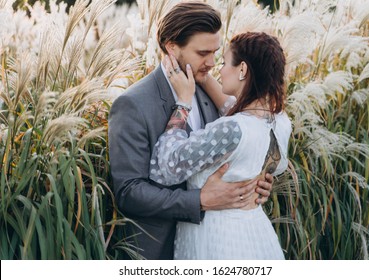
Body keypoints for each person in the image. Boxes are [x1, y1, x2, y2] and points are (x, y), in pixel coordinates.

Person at [108, 2, 273, 260]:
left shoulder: (212, 92)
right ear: (172, 47)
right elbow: (129, 193)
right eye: (202, 53)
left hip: (217, 245)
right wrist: (199, 200)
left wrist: (255, 181)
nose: (212, 63)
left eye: (216, 52)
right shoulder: (132, 104)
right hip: (161, 250)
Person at [150, 31, 291, 259]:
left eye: (225, 62)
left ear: (243, 70)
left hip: (218, 240)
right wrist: (201, 74)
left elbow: (167, 167)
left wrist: (183, 103)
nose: (219, 68)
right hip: (257, 236)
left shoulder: (231, 129)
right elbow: (236, 110)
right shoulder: (280, 122)